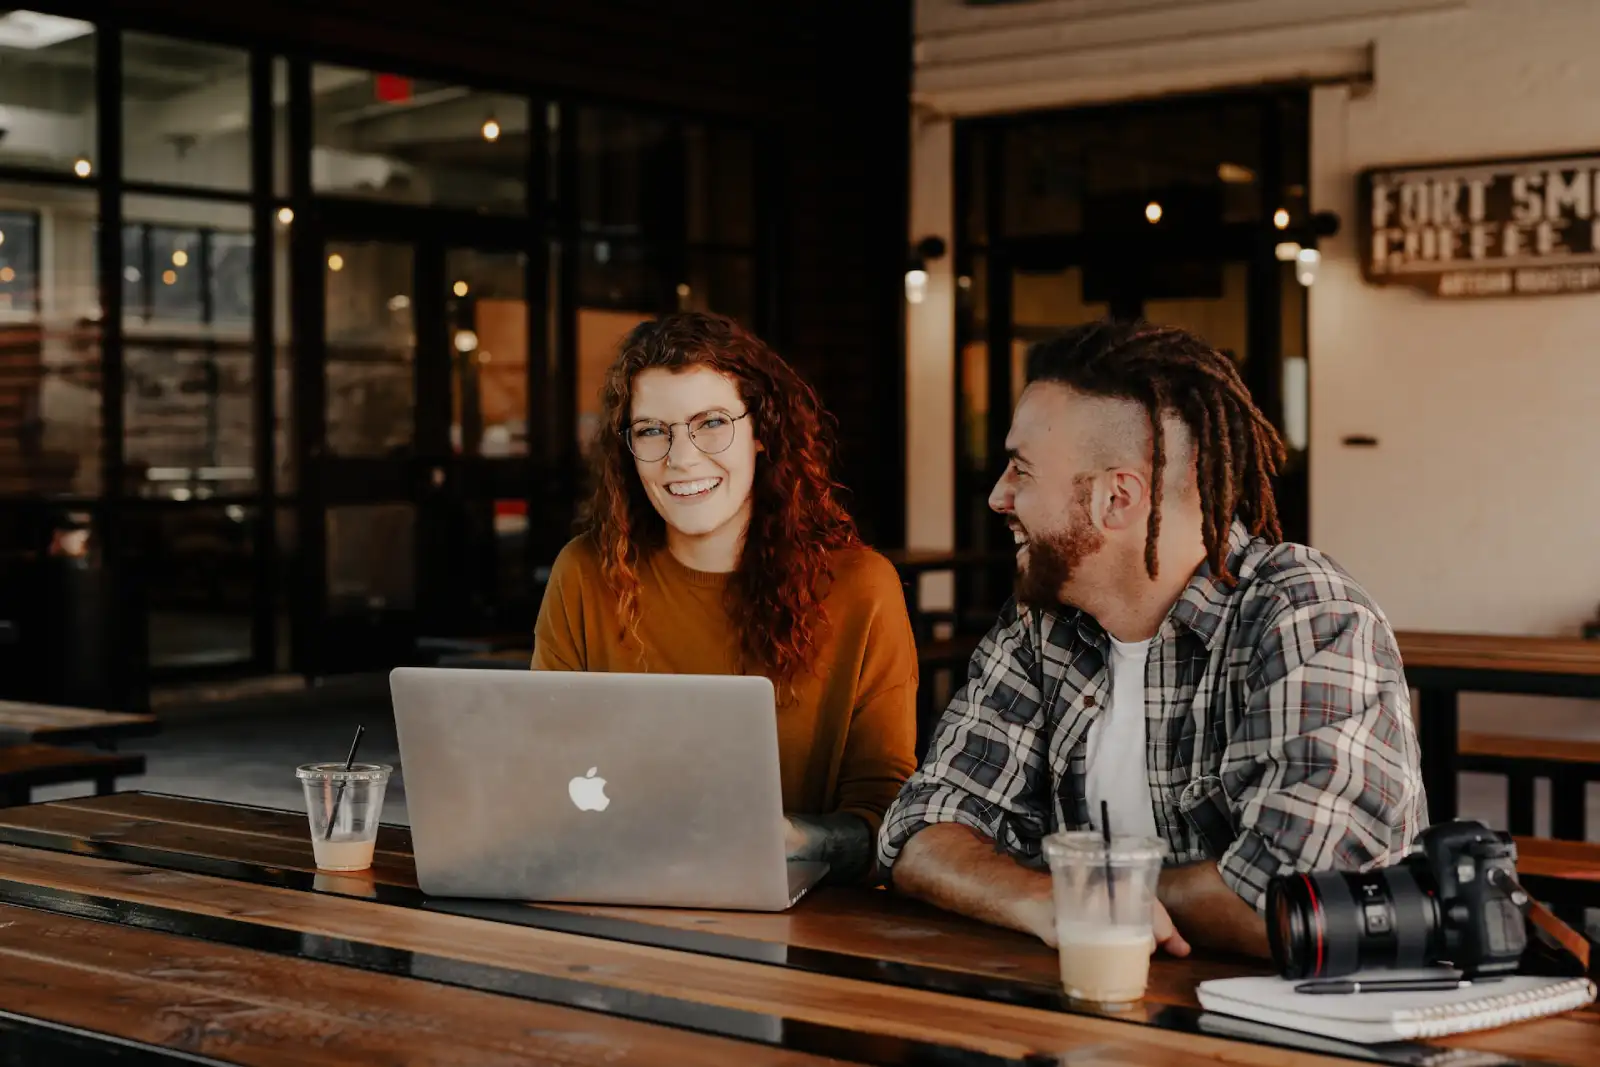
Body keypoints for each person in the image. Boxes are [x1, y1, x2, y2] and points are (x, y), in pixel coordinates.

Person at [876, 318, 1426, 958]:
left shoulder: (1306, 614)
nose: (998, 496)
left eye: (1022, 470)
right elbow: (919, 831)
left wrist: (1086, 897)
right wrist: (1039, 899)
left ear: (1118, 498)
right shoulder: (1042, 623)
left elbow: (1297, 895)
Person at [534, 310, 918, 884]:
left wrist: (790, 840)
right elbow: (536, 771)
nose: (681, 458)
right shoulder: (585, 573)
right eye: (651, 430)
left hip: (801, 920)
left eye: (710, 423)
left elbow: (885, 816)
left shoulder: (861, 587)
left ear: (762, 432)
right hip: (608, 890)